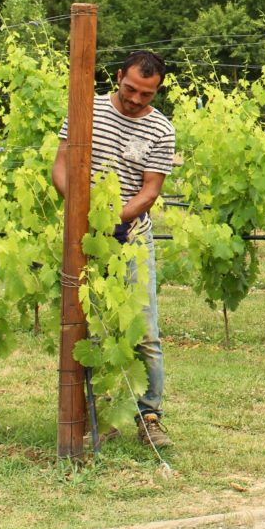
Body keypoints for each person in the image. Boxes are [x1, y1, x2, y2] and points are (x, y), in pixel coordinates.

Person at [51, 50, 177, 447]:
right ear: (118, 76)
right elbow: (59, 167)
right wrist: (82, 215)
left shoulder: (161, 130)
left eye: (147, 94)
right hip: (84, 236)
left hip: (132, 238)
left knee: (144, 331)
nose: (137, 99)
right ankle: (99, 412)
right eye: (131, 89)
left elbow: (150, 190)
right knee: (91, 328)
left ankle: (149, 415)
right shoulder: (87, 112)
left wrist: (114, 222)